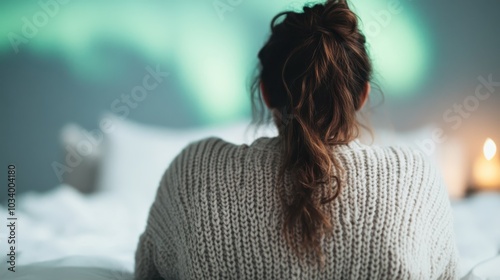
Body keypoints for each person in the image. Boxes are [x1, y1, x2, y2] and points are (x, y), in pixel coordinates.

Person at [134, 0, 459, 279]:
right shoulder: (416, 176)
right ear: (362, 96)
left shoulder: (193, 170)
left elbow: (147, 270)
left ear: (265, 93)